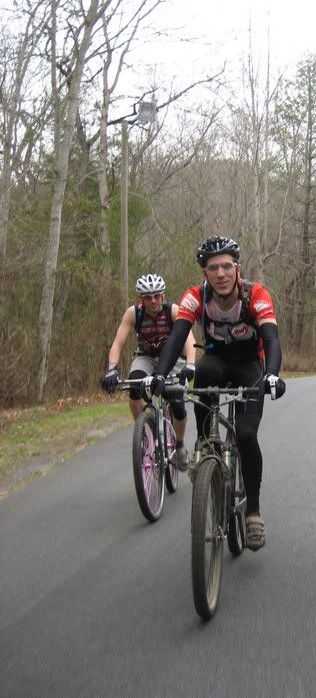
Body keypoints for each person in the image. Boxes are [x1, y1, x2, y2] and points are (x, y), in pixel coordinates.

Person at [150, 236, 286, 552]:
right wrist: (160, 374)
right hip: (217, 362)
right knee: (204, 373)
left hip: (251, 366)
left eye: (227, 266)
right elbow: (177, 336)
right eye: (213, 268)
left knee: (247, 435)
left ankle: (253, 513)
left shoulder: (255, 294)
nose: (221, 273)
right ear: (205, 272)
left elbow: (272, 339)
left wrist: (272, 374)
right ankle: (204, 442)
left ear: (237, 267)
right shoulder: (196, 296)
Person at [101, 273, 197, 470]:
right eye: (148, 297)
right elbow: (118, 343)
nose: (153, 300)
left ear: (163, 295)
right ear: (141, 299)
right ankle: (143, 430)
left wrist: (190, 364)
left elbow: (189, 340)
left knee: (177, 403)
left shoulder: (173, 311)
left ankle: (179, 445)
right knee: (134, 386)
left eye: (157, 296)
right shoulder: (133, 313)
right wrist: (111, 369)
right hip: (145, 357)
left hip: (172, 359)